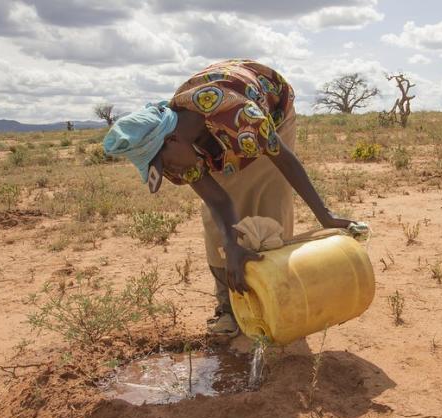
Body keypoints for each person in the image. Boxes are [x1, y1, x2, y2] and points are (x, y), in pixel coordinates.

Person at [103, 59, 355, 337]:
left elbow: (285, 162)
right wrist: (231, 245)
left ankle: (276, 301)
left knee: (268, 204)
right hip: (214, 136)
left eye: (165, 164)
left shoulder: (241, 117)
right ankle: (228, 306)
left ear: (172, 141)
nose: (171, 172)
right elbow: (218, 201)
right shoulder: (178, 146)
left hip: (271, 114)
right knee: (218, 226)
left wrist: (325, 216)